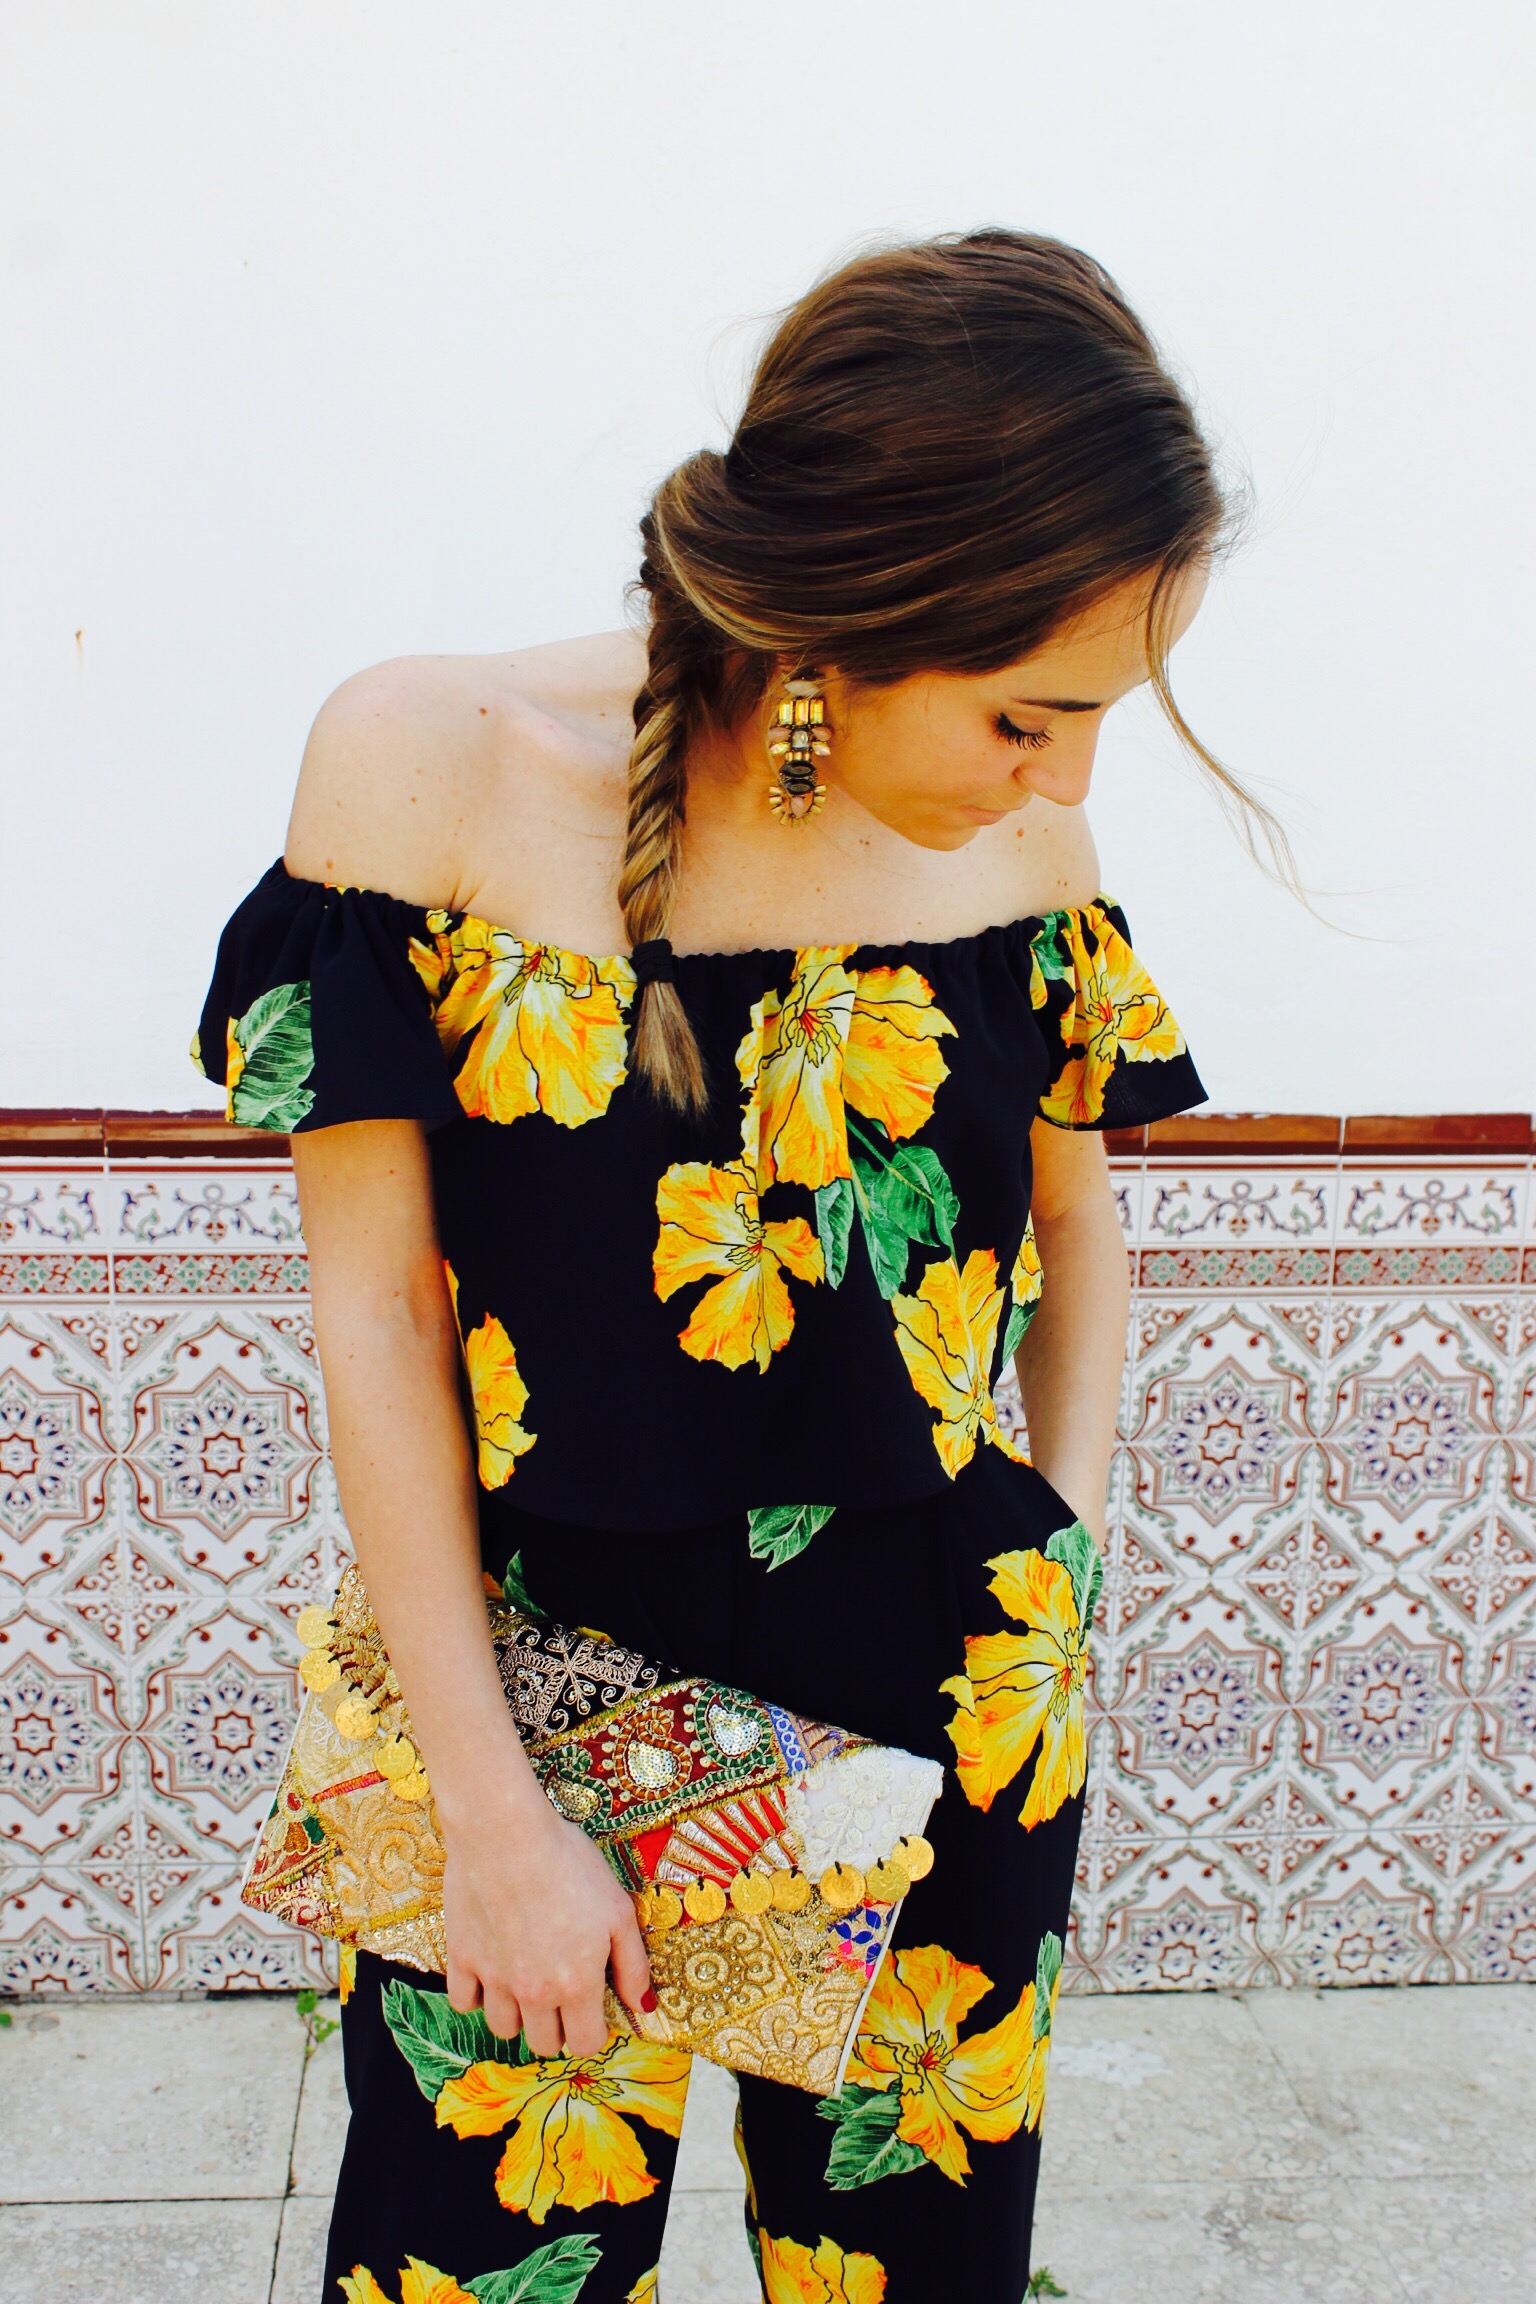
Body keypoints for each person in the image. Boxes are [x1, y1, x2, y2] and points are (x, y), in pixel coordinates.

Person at [197, 230, 1256, 2304]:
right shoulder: (429, 765)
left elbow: (1076, 1225)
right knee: (475, 2266)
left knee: (909, 2278)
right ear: (848, 617)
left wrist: (1059, 1557)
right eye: (1031, 713)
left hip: (951, 1681)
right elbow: (378, 1316)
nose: (1067, 779)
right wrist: (490, 1816)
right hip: (530, 1693)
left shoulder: (1023, 843)